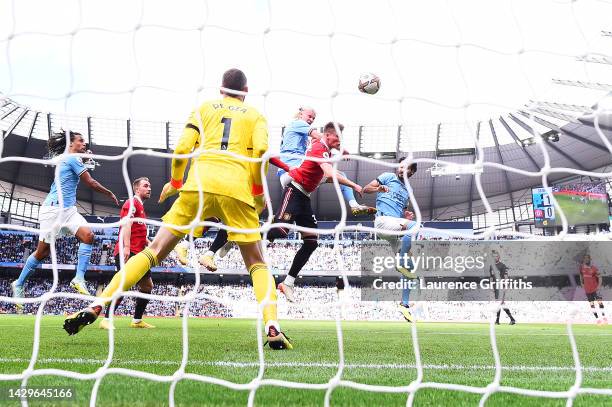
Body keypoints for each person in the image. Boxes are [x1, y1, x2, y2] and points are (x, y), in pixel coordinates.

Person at [63, 68, 292, 349]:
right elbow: (259, 154)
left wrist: (175, 181)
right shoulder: (256, 116)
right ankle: (272, 325)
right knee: (256, 263)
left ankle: (99, 303)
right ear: (246, 90)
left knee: (154, 251)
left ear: (221, 89)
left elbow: (183, 147)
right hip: (238, 190)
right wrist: (257, 193)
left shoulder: (204, 108)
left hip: (198, 185)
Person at [11, 131, 118, 307]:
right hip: (53, 210)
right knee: (42, 252)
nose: (84, 144)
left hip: (68, 211)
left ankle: (78, 278)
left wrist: (83, 159)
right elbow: (90, 182)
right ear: (70, 143)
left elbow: (73, 167)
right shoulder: (71, 158)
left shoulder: (68, 159)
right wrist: (109, 193)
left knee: (88, 236)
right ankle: (19, 283)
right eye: (81, 141)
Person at [269, 122, 363, 302]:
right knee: (280, 231)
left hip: (304, 198)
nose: (340, 140)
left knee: (311, 242)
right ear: (328, 135)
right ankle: (240, 235)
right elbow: (328, 172)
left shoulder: (325, 152)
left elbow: (325, 176)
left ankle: (287, 283)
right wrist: (353, 184)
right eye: (337, 136)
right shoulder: (320, 147)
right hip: (294, 190)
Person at [277, 106, 375, 216]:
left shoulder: (300, 135)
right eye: (309, 116)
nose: (311, 120)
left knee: (303, 221)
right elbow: (319, 136)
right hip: (291, 171)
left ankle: (280, 220)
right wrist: (342, 149)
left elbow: (316, 143)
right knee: (337, 175)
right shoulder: (298, 124)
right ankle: (354, 204)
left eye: (313, 118)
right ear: (300, 115)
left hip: (294, 179)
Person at [362, 158, 418, 322]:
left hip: (393, 228)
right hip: (382, 222)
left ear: (411, 172)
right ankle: (400, 261)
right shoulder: (387, 176)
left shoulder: (409, 190)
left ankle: (404, 305)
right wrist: (378, 188)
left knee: (411, 266)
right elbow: (366, 189)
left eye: (405, 167)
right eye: (400, 166)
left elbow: (401, 213)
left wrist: (406, 215)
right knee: (415, 226)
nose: (401, 169)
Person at [99, 177, 155, 330]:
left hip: (140, 253)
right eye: (146, 186)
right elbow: (126, 225)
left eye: (150, 186)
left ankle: (137, 320)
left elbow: (140, 233)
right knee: (123, 285)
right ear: (137, 189)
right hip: (129, 251)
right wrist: (126, 248)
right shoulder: (131, 203)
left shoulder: (141, 208)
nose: (149, 188)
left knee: (147, 286)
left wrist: (151, 244)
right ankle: (106, 320)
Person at [489, 250, 516, 325]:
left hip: (501, 287)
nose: (495, 258)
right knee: (500, 303)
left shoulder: (502, 265)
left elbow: (506, 277)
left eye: (496, 256)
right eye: (494, 256)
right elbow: (491, 277)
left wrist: (506, 286)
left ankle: (506, 320)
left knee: (500, 303)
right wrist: (491, 285)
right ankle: (505, 320)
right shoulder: (491, 266)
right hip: (496, 287)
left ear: (499, 257)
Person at [579, 254, 607, 325]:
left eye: (587, 258)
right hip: (587, 290)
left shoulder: (594, 268)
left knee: (599, 302)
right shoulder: (581, 268)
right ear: (583, 260)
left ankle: (604, 317)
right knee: (592, 304)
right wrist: (582, 283)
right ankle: (598, 320)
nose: (586, 260)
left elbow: (600, 277)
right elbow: (581, 275)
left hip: (595, 289)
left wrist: (598, 286)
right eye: (585, 258)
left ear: (590, 259)